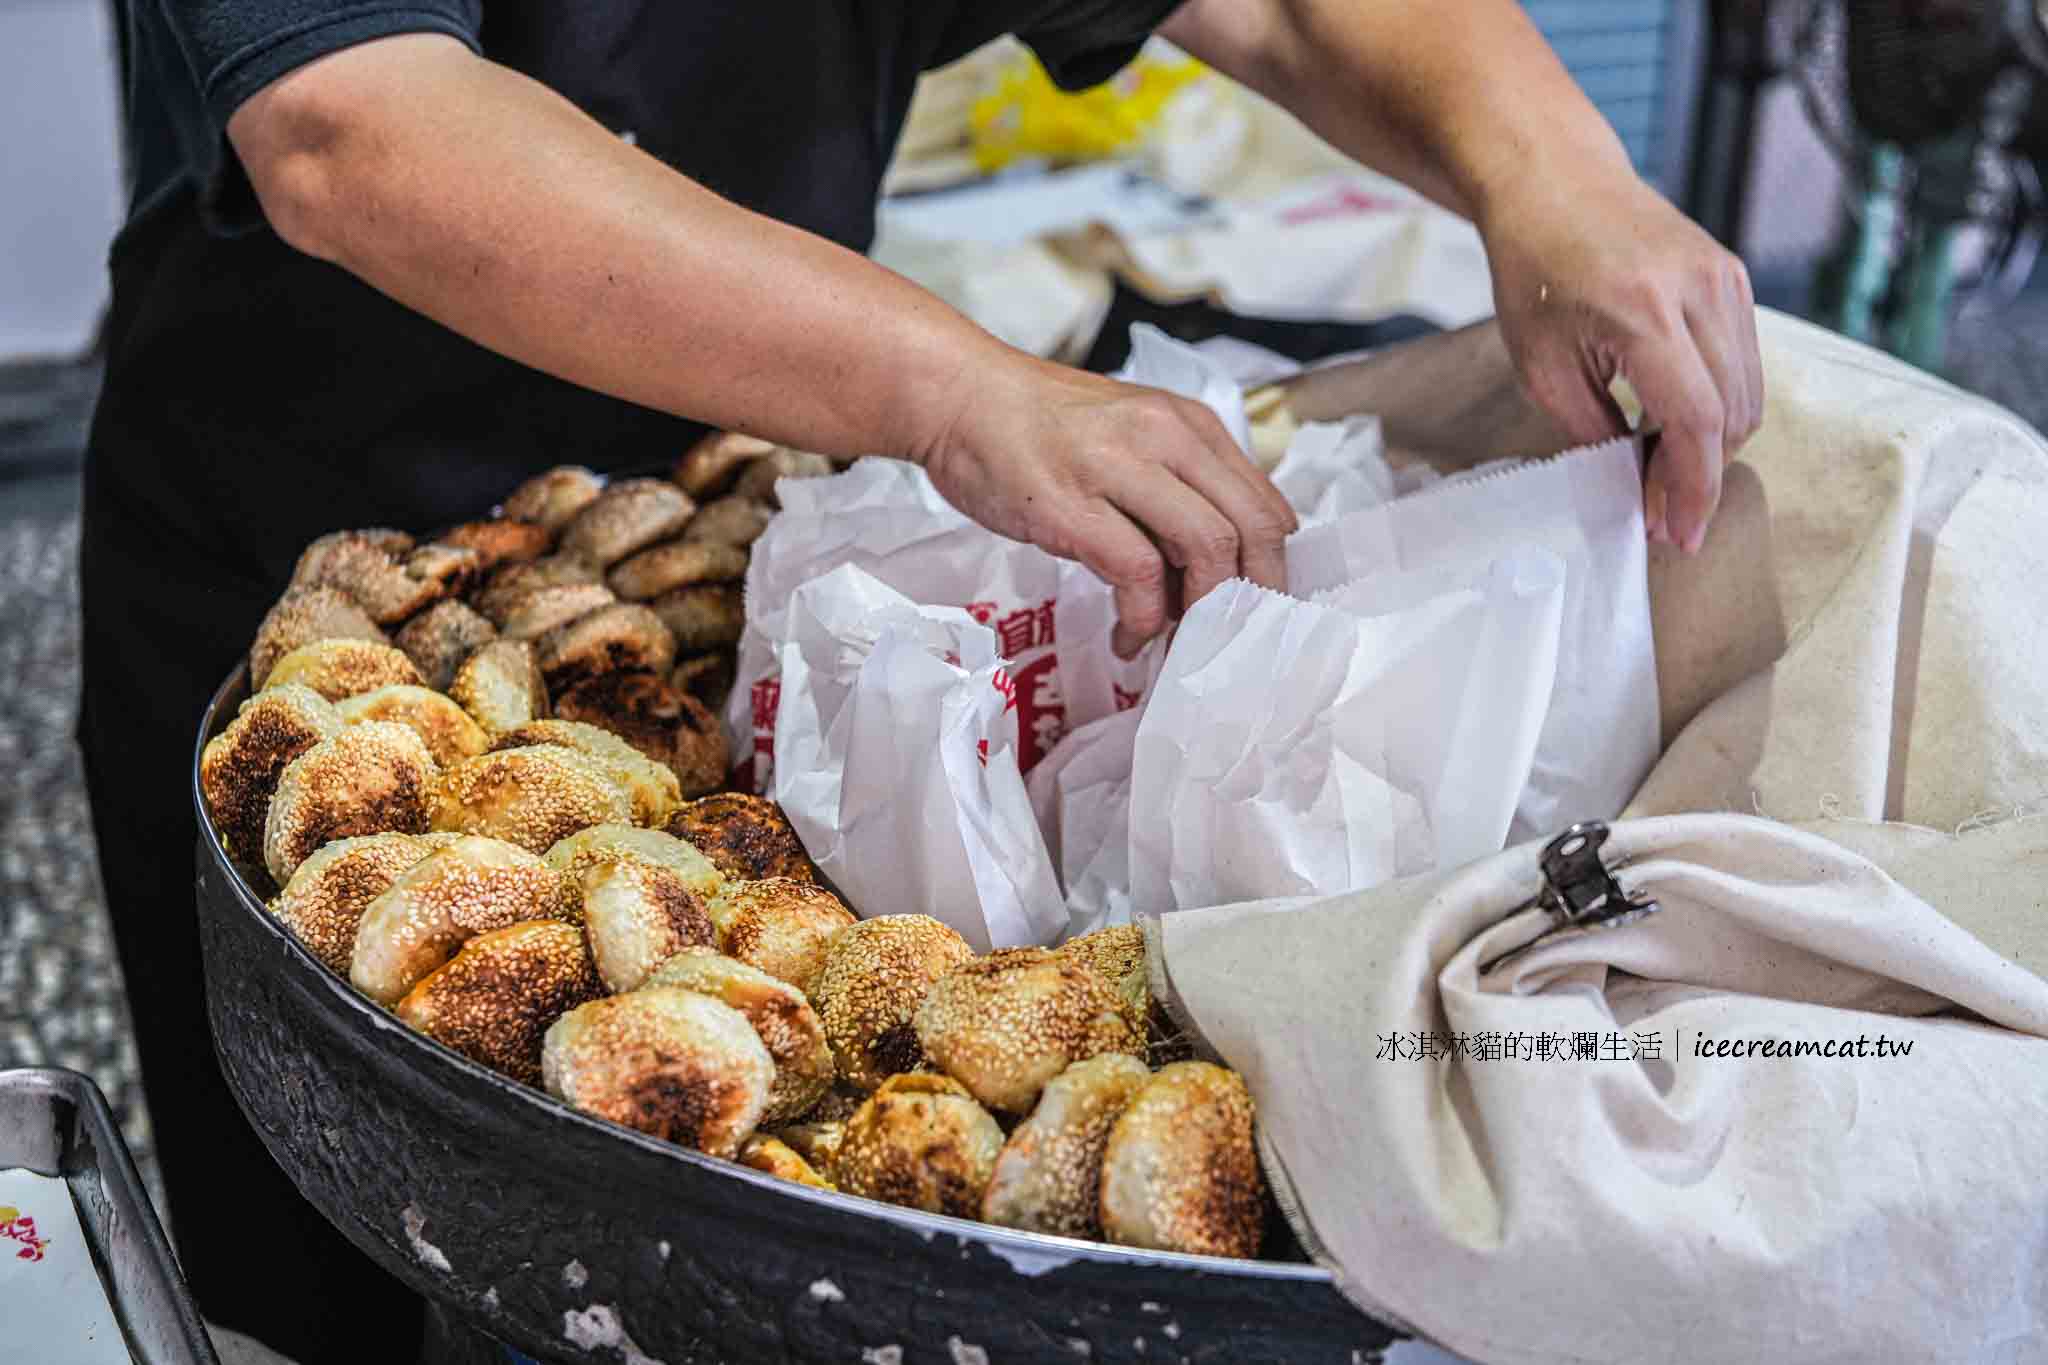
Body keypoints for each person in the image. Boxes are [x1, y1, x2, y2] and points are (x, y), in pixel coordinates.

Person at [79, 1, 1763, 1360]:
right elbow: (352, 127)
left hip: (743, 546)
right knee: (324, 1278)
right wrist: (953, 389)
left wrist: (1557, 171)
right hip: (317, 601)